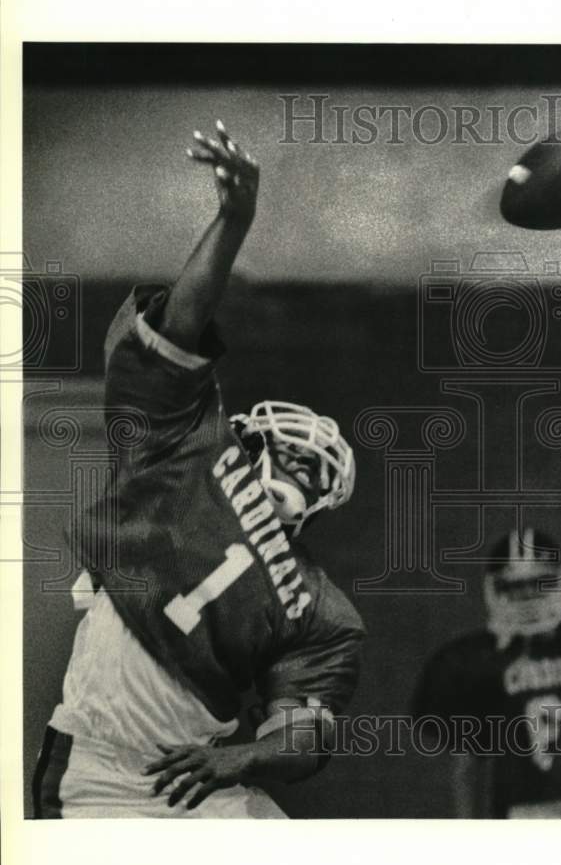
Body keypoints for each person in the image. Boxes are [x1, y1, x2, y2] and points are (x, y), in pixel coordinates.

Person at [32, 121, 365, 818]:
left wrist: (240, 758)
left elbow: (303, 734)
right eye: (292, 449)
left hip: (199, 774)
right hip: (99, 766)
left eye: (314, 467)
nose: (299, 467)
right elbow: (177, 332)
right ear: (248, 440)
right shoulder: (184, 452)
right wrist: (233, 220)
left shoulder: (320, 605)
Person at [413, 527, 561, 818]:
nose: (528, 598)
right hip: (516, 814)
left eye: (540, 584)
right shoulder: (475, 662)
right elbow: (467, 767)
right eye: (515, 587)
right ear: (493, 590)